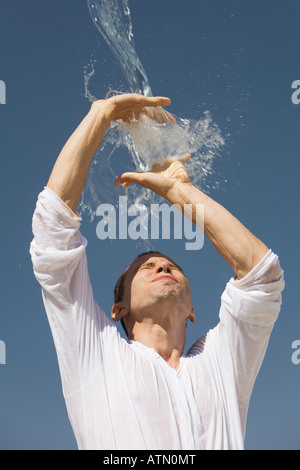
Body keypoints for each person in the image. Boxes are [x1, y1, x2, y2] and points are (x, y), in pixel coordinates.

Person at [30, 93, 284, 450]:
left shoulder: (221, 363)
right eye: (145, 268)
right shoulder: (98, 354)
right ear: (119, 309)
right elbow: (52, 233)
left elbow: (262, 274)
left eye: (172, 266)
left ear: (193, 310)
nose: (162, 265)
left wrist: (183, 194)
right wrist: (101, 114)